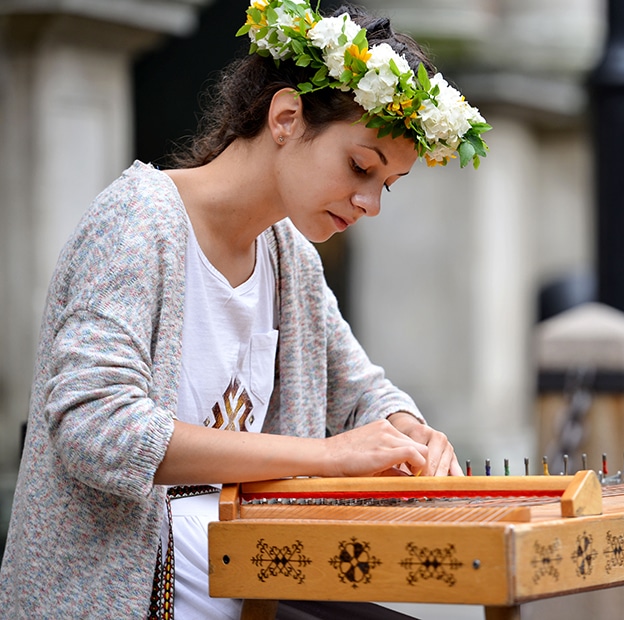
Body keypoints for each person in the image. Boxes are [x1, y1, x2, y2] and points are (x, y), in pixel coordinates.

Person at [0, 1, 490, 618]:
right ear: (286, 116)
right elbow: (98, 429)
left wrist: (411, 434)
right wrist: (327, 459)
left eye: (385, 185)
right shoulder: (138, 221)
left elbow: (359, 392)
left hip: (253, 589)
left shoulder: (288, 255)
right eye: (360, 166)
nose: (371, 204)